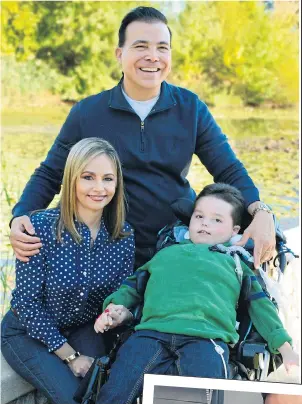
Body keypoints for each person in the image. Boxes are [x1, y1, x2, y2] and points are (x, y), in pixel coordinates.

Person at [10, 6, 275, 271]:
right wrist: (20, 215)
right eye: (140, 46)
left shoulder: (191, 108)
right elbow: (51, 173)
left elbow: (228, 169)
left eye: (162, 47)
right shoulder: (87, 113)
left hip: (174, 245)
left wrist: (260, 211)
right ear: (119, 54)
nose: (153, 57)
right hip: (106, 248)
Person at [93, 183, 299, 404]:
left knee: (206, 396)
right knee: (115, 392)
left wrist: (284, 347)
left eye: (217, 220)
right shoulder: (166, 254)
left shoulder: (237, 264)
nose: (205, 224)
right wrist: (113, 308)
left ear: (234, 231)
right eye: (199, 216)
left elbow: (261, 307)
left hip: (206, 339)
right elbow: (132, 287)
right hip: (150, 334)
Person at [1, 138, 135, 404]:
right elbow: (27, 304)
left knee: (109, 391)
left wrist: (119, 312)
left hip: (83, 327)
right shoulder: (39, 228)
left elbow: (120, 294)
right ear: (72, 179)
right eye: (88, 177)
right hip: (27, 331)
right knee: (73, 399)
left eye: (108, 179)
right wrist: (71, 357)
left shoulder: (123, 235)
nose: (99, 188)